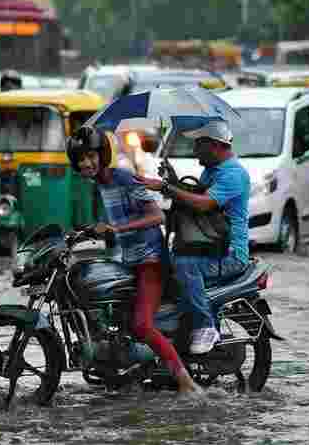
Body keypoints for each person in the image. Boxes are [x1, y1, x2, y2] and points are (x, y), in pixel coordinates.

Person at [65, 126, 200, 394]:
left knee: (141, 325)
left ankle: (185, 381)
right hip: (126, 261)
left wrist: (117, 229)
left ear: (102, 155)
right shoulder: (99, 186)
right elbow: (110, 223)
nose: (86, 163)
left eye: (91, 156)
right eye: (80, 159)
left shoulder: (124, 178)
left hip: (150, 260)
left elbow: (156, 216)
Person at [138, 120, 250, 354]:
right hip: (208, 246)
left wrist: (166, 188)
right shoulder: (211, 171)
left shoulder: (233, 174)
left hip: (229, 254)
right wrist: (172, 179)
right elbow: (193, 196)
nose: (195, 150)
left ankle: (205, 326)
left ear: (216, 145)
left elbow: (203, 204)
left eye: (199, 145)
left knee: (185, 264)